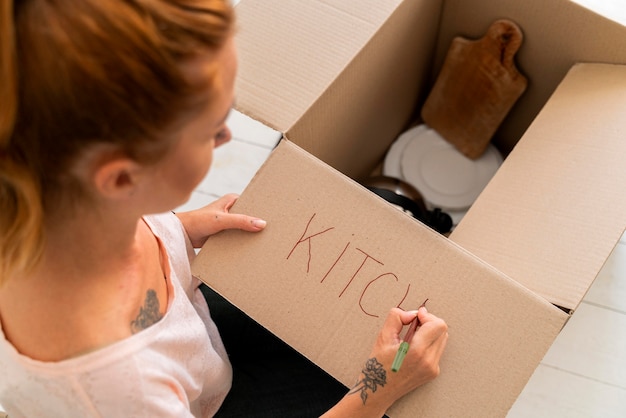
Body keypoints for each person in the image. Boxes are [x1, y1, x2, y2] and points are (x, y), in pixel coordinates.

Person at [0, 0, 448, 416]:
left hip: (202, 356)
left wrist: (182, 229)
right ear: (121, 178)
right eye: (213, 131)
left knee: (379, 210)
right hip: (207, 405)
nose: (228, 140)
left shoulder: (62, 193)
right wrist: (377, 389)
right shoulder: (127, 393)